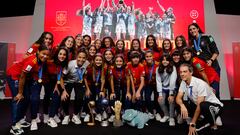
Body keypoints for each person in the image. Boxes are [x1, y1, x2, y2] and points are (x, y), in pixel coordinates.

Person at [6, 45, 50, 134]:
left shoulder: (40, 60)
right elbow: (22, 76)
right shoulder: (32, 61)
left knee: (26, 98)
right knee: (18, 99)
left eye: (47, 55)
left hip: (22, 78)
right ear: (38, 52)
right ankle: (14, 126)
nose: (45, 56)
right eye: (43, 54)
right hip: (14, 76)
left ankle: (20, 120)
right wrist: (20, 92)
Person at [176, 63, 223, 135]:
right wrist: (182, 105)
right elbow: (178, 98)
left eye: (185, 71)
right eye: (181, 72)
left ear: (191, 72)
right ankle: (201, 117)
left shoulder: (199, 83)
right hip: (201, 106)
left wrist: (193, 123)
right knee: (180, 103)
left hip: (215, 106)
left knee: (202, 105)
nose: (182, 74)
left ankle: (213, 121)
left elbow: (199, 105)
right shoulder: (183, 82)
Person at [61, 48, 90, 125]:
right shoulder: (70, 64)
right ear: (76, 57)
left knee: (80, 97)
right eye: (79, 57)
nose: (81, 59)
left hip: (78, 82)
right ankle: (66, 115)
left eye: (84, 58)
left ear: (86, 58)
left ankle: (75, 114)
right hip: (68, 81)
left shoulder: (87, 63)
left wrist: (87, 89)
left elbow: (85, 76)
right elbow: (61, 77)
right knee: (65, 97)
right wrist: (63, 90)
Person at [46, 47, 69, 128]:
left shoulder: (63, 64)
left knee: (57, 96)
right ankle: (50, 118)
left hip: (56, 82)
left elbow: (60, 77)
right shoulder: (50, 62)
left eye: (64, 54)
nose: (62, 56)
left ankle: (53, 114)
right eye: (60, 54)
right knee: (55, 97)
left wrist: (62, 90)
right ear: (57, 54)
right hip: (46, 81)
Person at [156, 54, 177, 126]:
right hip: (163, 87)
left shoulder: (173, 68)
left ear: (170, 61)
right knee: (161, 101)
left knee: (171, 102)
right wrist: (160, 94)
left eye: (167, 60)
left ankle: (171, 118)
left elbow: (173, 80)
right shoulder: (158, 68)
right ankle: (166, 115)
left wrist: (171, 94)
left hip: (172, 87)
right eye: (163, 60)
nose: (165, 61)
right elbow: (158, 81)